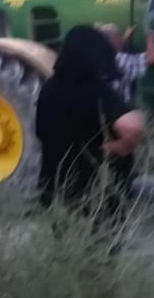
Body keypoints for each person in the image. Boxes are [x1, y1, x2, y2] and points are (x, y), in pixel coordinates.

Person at [35, 25, 145, 235]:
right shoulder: (97, 92)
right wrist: (122, 146)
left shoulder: (48, 89)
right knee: (100, 251)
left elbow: (40, 133)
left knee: (66, 250)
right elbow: (133, 126)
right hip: (96, 193)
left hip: (58, 187)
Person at [97, 24, 154, 105]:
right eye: (118, 36)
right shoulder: (119, 60)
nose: (121, 38)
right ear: (110, 41)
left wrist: (126, 37)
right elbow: (152, 58)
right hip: (116, 109)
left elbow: (116, 45)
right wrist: (150, 32)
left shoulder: (99, 56)